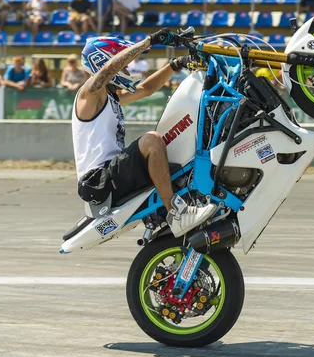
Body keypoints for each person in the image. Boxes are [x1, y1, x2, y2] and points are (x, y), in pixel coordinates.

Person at [74, 30, 216, 237]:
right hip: (98, 180)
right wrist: (149, 42)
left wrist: (176, 64)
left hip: (111, 174)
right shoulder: (89, 94)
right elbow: (107, 70)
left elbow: (146, 89)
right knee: (152, 141)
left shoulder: (112, 97)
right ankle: (176, 214)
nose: (127, 67)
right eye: (123, 62)